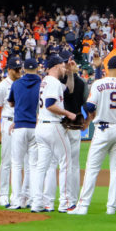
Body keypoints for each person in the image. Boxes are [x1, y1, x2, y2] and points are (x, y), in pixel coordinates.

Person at [70, 55, 116, 215]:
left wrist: (90, 114)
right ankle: (111, 208)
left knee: (92, 168)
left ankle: (83, 207)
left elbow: (90, 105)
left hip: (103, 128)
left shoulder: (99, 83)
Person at [30, 55, 77, 213]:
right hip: (53, 126)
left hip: (41, 127)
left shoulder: (45, 81)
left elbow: (69, 89)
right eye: (63, 66)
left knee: (41, 167)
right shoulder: (54, 82)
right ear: (56, 66)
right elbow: (50, 105)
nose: (64, 68)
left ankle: (37, 203)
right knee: (65, 163)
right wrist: (68, 113)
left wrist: (70, 73)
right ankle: (65, 203)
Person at [8, 58, 41, 210]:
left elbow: (11, 103)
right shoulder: (42, 84)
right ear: (37, 68)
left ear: (23, 69)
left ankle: (16, 200)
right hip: (35, 126)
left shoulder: (16, 83)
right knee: (33, 166)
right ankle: (33, 200)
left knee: (16, 165)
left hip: (20, 125)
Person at [61, 54, 88, 211]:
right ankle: (73, 198)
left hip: (63, 126)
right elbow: (86, 103)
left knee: (60, 163)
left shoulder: (60, 81)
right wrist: (86, 120)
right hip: (76, 125)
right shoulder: (83, 82)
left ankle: (66, 199)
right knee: (74, 164)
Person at [0, 56, 22, 207]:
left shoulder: (23, 83)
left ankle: (18, 195)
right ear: (9, 69)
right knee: (6, 161)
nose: (18, 71)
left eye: (19, 68)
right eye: (16, 69)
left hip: (23, 123)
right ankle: (3, 195)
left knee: (21, 161)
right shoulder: (2, 86)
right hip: (8, 122)